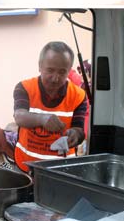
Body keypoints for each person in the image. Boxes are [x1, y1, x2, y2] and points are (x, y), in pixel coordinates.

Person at [13, 41, 87, 173]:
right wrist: (42, 119)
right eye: (50, 70)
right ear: (40, 66)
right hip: (25, 167)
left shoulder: (79, 96)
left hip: (62, 170)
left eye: (62, 72)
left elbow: (79, 129)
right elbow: (19, 116)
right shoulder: (25, 87)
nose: (55, 78)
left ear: (69, 71)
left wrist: (75, 135)